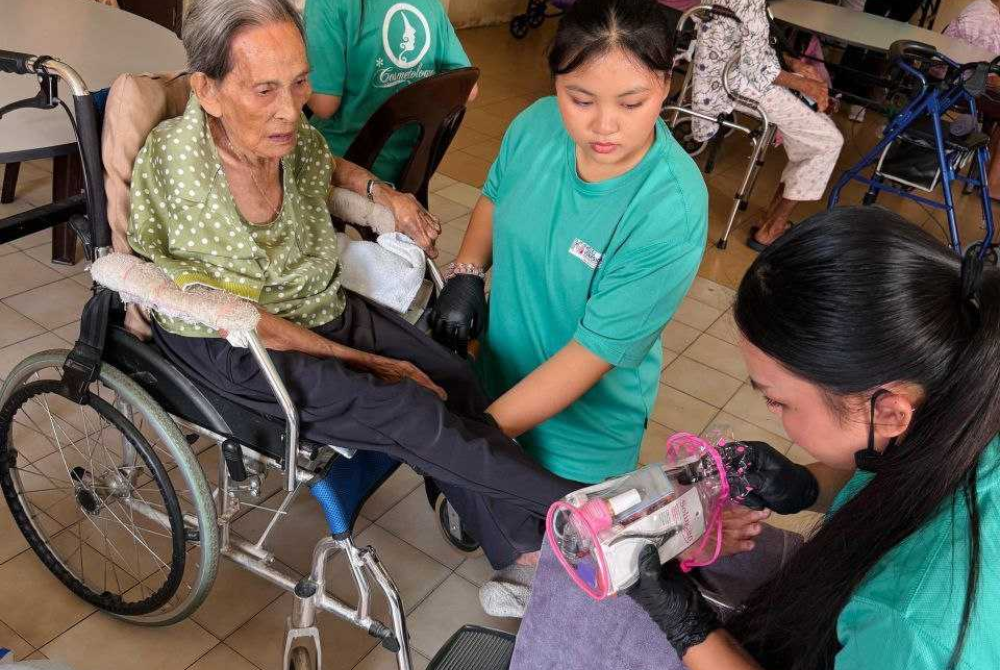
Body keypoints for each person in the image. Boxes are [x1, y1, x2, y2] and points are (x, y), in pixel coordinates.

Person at [126, 0, 578, 579]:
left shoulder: (280, 137)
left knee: (455, 375)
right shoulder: (189, 176)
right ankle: (581, 509)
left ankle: (511, 539)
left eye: (299, 83)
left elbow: (324, 158)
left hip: (310, 304)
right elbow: (251, 322)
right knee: (411, 409)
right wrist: (372, 364)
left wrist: (383, 191)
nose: (291, 111)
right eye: (264, 90)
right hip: (239, 342)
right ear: (208, 91)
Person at [624, 207, 1000, 669]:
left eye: (778, 401)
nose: (772, 412)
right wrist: (804, 484)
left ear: (888, 412)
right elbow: (901, 483)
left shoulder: (910, 623)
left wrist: (689, 629)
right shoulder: (970, 393)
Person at [427, 0, 709, 614]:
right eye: (579, 98)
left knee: (554, 577)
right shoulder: (534, 127)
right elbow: (495, 196)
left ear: (665, 85)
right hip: (500, 378)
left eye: (631, 103)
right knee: (496, 512)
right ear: (554, 82)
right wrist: (468, 272)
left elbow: (588, 358)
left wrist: (471, 439)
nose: (602, 125)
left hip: (583, 430)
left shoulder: (669, 209)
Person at [691, 0, 844, 251]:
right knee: (829, 141)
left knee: (814, 125)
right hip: (735, 82)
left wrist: (795, 65)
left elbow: (753, 45)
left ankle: (771, 216)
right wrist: (807, 85)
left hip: (726, 73)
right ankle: (772, 229)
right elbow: (757, 67)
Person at [304, 0, 477, 186]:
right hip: (411, 170)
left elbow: (324, 106)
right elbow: (468, 89)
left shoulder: (327, 4)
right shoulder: (431, 5)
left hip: (344, 165)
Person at [942, 0, 1000, 198]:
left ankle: (989, 180)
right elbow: (985, 74)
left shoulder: (987, 10)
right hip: (964, 84)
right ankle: (992, 185)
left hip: (972, 81)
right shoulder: (985, 18)